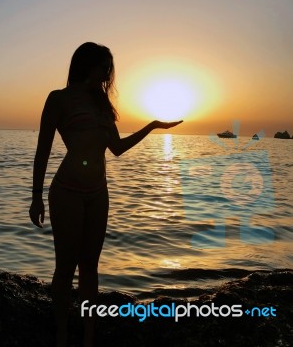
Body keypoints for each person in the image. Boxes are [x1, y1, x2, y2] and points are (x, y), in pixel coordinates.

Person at [29, 42, 183, 347]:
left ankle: (88, 337)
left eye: (108, 68)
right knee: (65, 266)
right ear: (87, 65)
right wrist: (35, 196)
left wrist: (152, 126)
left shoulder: (102, 104)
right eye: (103, 66)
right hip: (67, 192)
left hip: (98, 193)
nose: (107, 73)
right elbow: (43, 150)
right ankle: (60, 333)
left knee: (90, 267)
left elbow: (117, 148)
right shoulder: (59, 99)